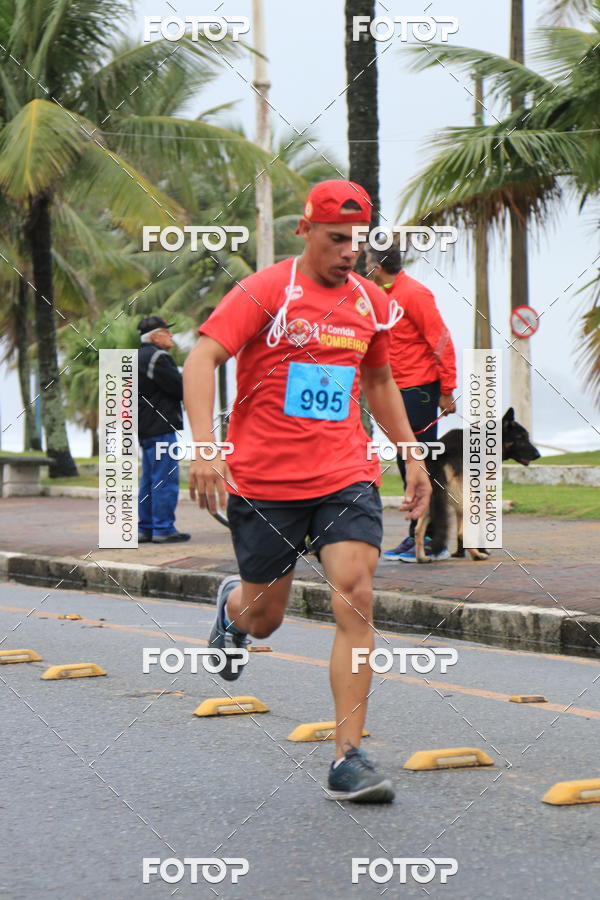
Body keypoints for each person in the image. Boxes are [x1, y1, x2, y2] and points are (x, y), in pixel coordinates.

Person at [183, 179, 431, 804]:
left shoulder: (372, 303)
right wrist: (207, 447)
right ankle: (233, 609)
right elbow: (202, 359)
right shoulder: (267, 291)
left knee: (357, 592)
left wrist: (410, 452)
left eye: (358, 240)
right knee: (266, 619)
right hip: (265, 481)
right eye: (337, 238)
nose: (350, 251)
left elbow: (377, 381)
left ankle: (349, 757)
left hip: (344, 474)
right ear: (307, 231)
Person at [366, 244, 457, 563]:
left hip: (419, 389)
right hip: (396, 389)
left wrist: (447, 388)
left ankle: (433, 540)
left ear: (377, 266)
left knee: (420, 462)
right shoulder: (380, 295)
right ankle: (417, 536)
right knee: (408, 462)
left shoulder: (414, 293)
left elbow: (442, 340)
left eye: (366, 261)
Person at [137, 315, 190, 544]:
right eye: (167, 332)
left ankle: (146, 528)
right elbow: (179, 389)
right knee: (165, 479)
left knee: (149, 479)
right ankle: (163, 528)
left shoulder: (136, 357)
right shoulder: (159, 358)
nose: (171, 337)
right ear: (156, 336)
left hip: (145, 428)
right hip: (161, 426)